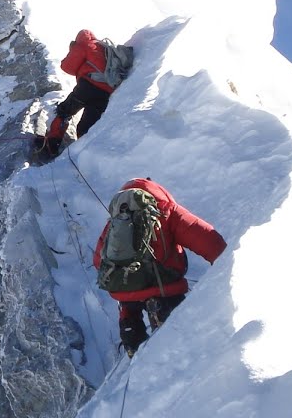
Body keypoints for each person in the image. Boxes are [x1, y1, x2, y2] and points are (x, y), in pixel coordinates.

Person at [93, 177, 225, 357]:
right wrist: (228, 263)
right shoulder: (166, 210)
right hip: (165, 290)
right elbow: (208, 241)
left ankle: (130, 329)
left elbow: (98, 261)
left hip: (126, 293)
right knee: (178, 347)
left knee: (130, 305)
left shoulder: (115, 222)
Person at [41, 29, 129, 157]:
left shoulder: (84, 44)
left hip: (87, 86)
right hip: (106, 92)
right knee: (87, 125)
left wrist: (73, 49)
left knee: (65, 111)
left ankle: (51, 144)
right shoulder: (105, 49)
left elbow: (67, 67)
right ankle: (84, 155)